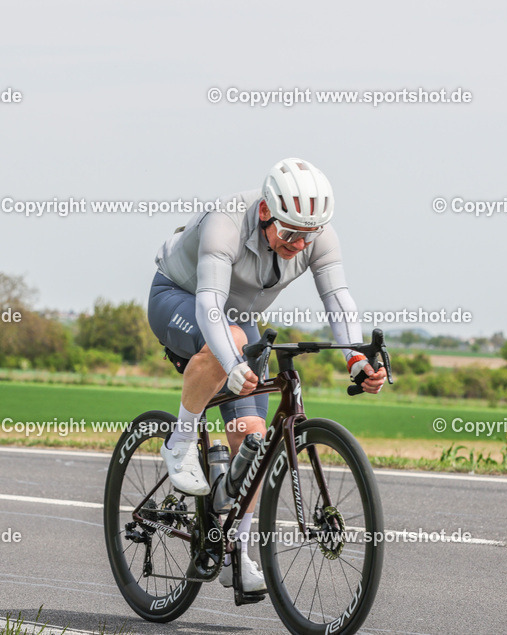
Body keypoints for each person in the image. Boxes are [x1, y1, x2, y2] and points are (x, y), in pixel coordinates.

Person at [147, 157, 387, 593]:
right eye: (290, 233)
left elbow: (338, 300)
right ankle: (180, 442)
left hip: (238, 320)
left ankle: (237, 550)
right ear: (264, 213)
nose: (300, 243)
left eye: (308, 234)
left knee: (252, 434)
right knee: (233, 341)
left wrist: (357, 360)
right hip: (180, 297)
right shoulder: (227, 223)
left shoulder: (316, 235)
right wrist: (234, 362)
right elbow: (209, 306)